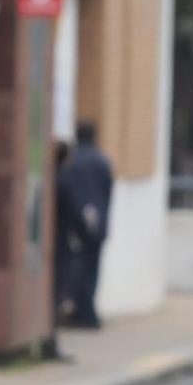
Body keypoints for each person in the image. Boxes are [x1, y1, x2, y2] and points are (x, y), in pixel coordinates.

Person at [57, 122, 115, 328]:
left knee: (75, 269)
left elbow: (65, 191)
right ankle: (87, 312)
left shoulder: (72, 163)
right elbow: (108, 193)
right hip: (97, 225)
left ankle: (79, 311)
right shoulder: (102, 161)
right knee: (91, 270)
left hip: (75, 225)